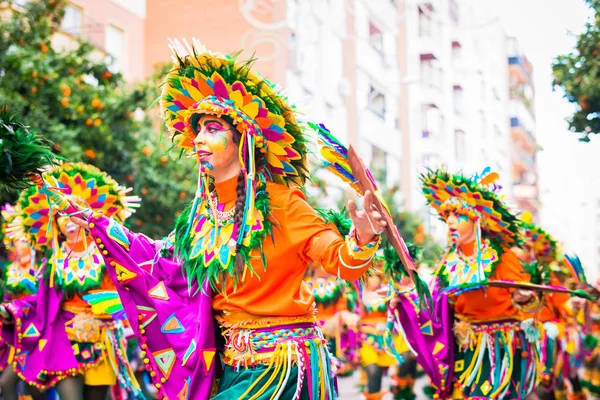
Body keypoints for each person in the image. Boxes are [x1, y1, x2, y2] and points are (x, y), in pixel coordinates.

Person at [69, 39, 386, 400]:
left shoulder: (284, 204)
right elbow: (160, 262)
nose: (198, 139)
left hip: (282, 368)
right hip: (228, 364)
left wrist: (362, 239)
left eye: (213, 129)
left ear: (244, 139)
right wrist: (96, 223)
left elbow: (342, 263)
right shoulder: (200, 217)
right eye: (198, 130)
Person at [388, 169, 539, 400]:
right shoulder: (447, 264)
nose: (449, 221)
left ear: (477, 218)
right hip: (469, 350)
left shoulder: (503, 257)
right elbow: (434, 304)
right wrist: (405, 300)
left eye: (457, 215)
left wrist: (525, 300)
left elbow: (531, 306)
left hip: (505, 349)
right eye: (446, 214)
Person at [0, 162, 142, 400]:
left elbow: (126, 294)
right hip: (62, 342)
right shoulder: (52, 263)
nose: (67, 220)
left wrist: (109, 309)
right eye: (61, 217)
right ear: (55, 225)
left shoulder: (107, 255)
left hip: (102, 339)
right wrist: (11, 311)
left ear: (85, 218)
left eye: (73, 213)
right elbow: (40, 303)